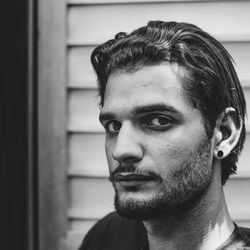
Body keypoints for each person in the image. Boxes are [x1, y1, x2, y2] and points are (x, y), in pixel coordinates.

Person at [78, 21, 250, 250]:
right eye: (113, 125)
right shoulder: (109, 236)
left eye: (158, 121)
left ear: (224, 133)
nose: (122, 150)